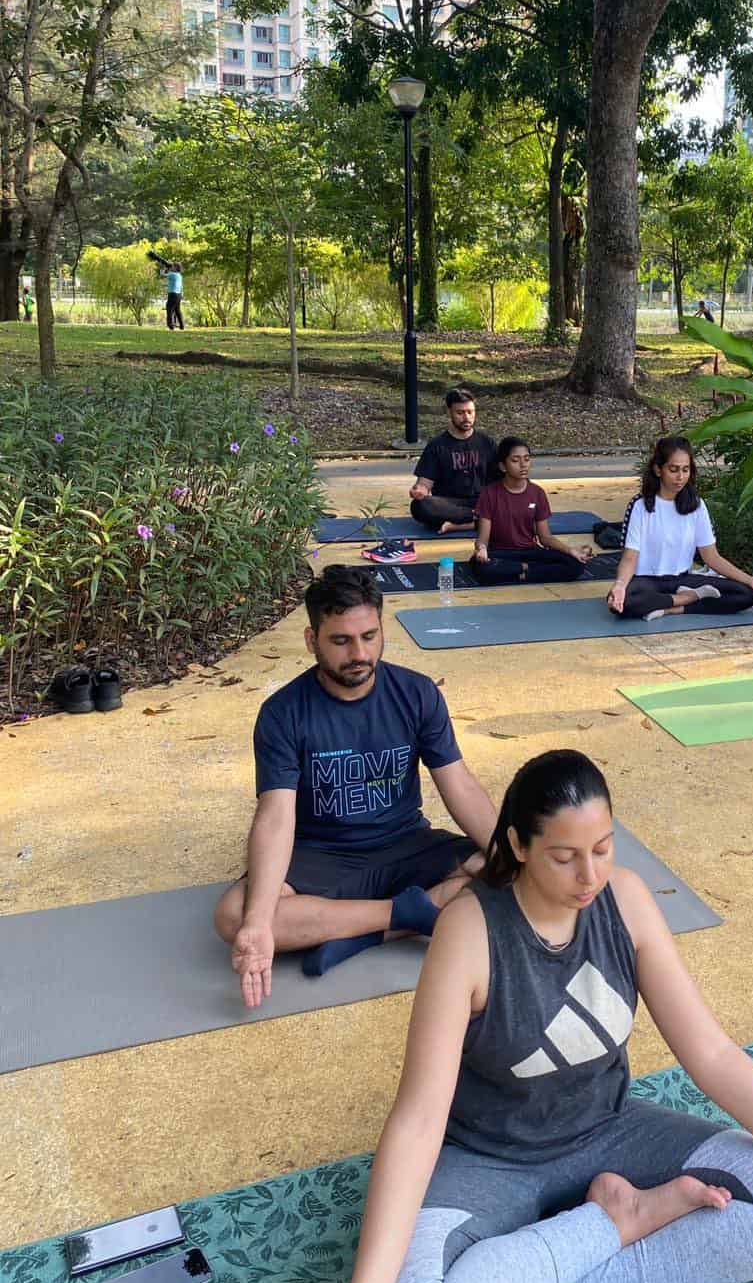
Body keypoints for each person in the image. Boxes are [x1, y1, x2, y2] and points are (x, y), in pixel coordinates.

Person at [347, 750, 753, 1283]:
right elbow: (419, 1121)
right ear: (517, 844)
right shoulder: (468, 931)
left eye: (603, 849)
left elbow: (710, 1054)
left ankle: (558, 1258)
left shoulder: (626, 901)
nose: (589, 876)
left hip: (611, 1131)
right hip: (492, 1157)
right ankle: (615, 1221)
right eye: (564, 857)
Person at [213, 566, 498, 1005]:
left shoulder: (417, 694)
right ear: (313, 642)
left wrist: (510, 860)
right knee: (235, 917)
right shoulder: (283, 713)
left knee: (503, 873)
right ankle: (408, 913)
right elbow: (275, 816)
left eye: (369, 636)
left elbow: (459, 785)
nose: (359, 653)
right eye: (341, 641)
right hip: (321, 854)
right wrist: (255, 923)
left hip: (407, 842)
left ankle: (364, 931)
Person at [606, 436, 753, 620]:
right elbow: (630, 557)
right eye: (673, 470)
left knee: (746, 595)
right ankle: (689, 598)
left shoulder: (696, 505)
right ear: (658, 469)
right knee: (622, 604)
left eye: (685, 470)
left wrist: (752, 581)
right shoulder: (640, 506)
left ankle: (671, 608)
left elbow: (711, 557)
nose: (680, 477)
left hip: (682, 579)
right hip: (647, 581)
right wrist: (620, 585)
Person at [471, 437, 592, 585]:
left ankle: (521, 573)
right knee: (480, 566)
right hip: (501, 554)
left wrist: (570, 550)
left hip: (531, 552)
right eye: (515, 460)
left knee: (576, 565)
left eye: (527, 459)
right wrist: (481, 549)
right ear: (503, 466)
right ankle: (529, 571)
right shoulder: (489, 493)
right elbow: (482, 539)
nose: (523, 465)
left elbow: (546, 538)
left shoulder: (537, 493)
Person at [409, 386, 497, 533]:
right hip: (450, 504)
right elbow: (424, 484)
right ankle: (482, 519)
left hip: (482, 501)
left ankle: (462, 524)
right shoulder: (437, 445)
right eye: (460, 413)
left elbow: (500, 480)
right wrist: (419, 491)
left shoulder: (486, 442)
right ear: (449, 412)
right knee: (420, 506)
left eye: (470, 412)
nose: (467, 417)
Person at [165, 262, 184, 329]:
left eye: (172, 266)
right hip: (179, 295)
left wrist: (163, 268)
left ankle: (171, 325)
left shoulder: (172, 274)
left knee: (169, 309)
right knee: (177, 310)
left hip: (172, 294)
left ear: (176, 268)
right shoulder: (180, 275)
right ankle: (182, 325)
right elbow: (181, 286)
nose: (171, 267)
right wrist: (182, 294)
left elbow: (162, 274)